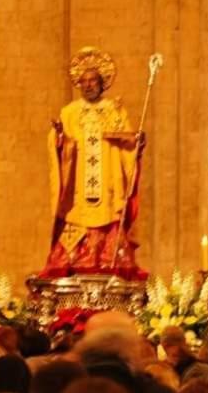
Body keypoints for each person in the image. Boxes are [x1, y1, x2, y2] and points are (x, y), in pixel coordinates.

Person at [41, 47, 147, 278]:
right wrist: (59, 137)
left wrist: (136, 143)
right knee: (76, 220)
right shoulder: (69, 112)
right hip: (78, 189)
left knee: (109, 220)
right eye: (84, 81)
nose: (88, 85)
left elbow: (126, 142)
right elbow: (61, 148)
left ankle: (107, 259)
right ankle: (77, 259)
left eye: (93, 80)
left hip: (107, 185)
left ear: (102, 83)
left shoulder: (114, 111)